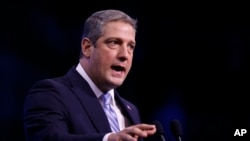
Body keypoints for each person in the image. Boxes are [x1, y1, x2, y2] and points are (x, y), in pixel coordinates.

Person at [23, 9, 157, 141]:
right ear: (87, 48)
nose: (125, 55)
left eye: (131, 46)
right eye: (114, 43)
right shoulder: (51, 94)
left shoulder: (131, 110)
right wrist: (107, 139)